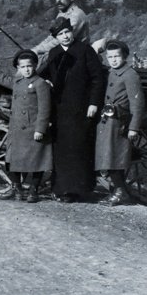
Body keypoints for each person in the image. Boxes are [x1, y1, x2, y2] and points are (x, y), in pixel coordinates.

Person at [39, 17, 105, 203]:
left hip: (82, 109)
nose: (65, 36)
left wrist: (93, 103)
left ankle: (79, 189)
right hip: (59, 110)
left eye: (67, 32)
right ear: (56, 37)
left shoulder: (85, 51)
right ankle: (62, 189)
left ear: (72, 31)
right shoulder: (54, 53)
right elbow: (44, 75)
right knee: (61, 150)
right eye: (60, 34)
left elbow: (97, 79)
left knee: (79, 148)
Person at [94, 39, 145, 206]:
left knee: (115, 158)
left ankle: (121, 192)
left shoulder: (130, 75)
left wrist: (134, 128)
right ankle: (117, 190)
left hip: (119, 122)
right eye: (110, 56)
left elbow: (137, 104)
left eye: (117, 56)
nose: (114, 59)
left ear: (125, 57)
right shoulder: (111, 72)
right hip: (106, 122)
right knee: (108, 157)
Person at [0, 49, 53, 203]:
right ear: (18, 68)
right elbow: (2, 78)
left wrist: (40, 129)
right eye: (22, 67)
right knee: (12, 161)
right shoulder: (18, 82)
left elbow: (45, 109)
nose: (26, 69)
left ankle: (33, 191)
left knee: (37, 162)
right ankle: (17, 190)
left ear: (35, 65)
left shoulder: (41, 84)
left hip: (33, 130)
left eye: (29, 66)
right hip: (17, 130)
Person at [32, 0, 90, 69]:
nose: (58, 1)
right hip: (65, 51)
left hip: (78, 54)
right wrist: (36, 49)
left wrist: (38, 50)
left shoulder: (76, 15)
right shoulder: (62, 14)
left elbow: (61, 40)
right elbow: (53, 36)